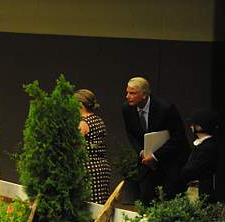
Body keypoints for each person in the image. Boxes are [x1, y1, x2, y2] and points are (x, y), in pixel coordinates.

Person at [122, 77, 190, 205]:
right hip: (146, 161)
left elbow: (178, 137)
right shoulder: (127, 109)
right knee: (146, 198)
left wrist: (155, 156)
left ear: (144, 95)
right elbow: (131, 135)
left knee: (169, 200)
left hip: (170, 161)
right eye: (127, 92)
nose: (127, 96)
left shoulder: (165, 108)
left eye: (132, 93)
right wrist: (141, 152)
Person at [75, 89, 111, 204]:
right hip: (102, 168)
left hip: (88, 170)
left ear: (80, 104)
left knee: (89, 209)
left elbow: (74, 146)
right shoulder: (99, 120)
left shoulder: (83, 123)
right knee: (100, 208)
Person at [181, 109, 220, 203]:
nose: (191, 126)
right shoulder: (203, 145)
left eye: (194, 123)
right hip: (195, 189)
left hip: (202, 190)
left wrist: (183, 171)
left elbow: (192, 170)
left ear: (200, 126)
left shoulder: (208, 147)